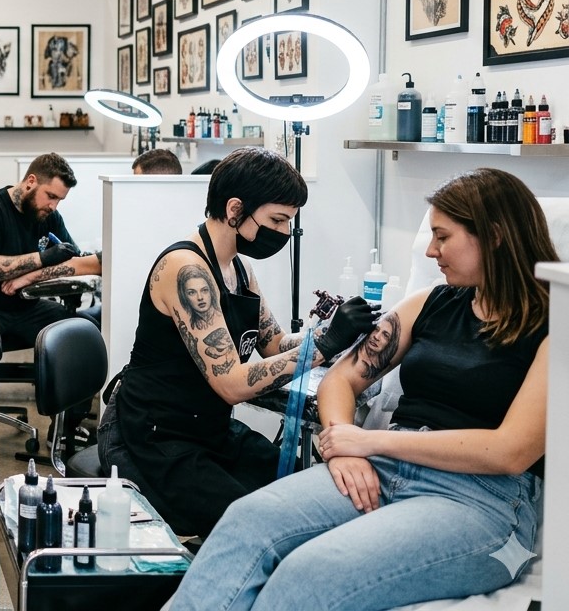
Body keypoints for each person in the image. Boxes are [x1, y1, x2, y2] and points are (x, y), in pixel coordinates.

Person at [171, 168, 553, 609]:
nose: (431, 251)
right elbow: (342, 379)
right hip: (387, 467)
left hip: (480, 498)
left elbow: (510, 451)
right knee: (245, 521)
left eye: (442, 237)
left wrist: (367, 441)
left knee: (310, 572)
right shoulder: (431, 303)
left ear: (495, 236)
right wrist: (346, 446)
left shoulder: (553, 325)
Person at [95, 146, 377, 537]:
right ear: (235, 210)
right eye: (277, 220)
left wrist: (334, 332)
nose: (284, 233)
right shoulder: (187, 271)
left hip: (207, 431)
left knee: (301, 489)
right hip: (150, 436)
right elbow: (231, 384)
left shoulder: (239, 269)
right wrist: (323, 347)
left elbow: (275, 343)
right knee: (255, 523)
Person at [0, 153, 103, 485]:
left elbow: (72, 260)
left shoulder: (48, 217)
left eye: (60, 200)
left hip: (22, 304)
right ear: (30, 182)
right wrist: (42, 259)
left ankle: (67, 429)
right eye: (50, 196)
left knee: (82, 331)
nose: (54, 206)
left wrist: (32, 274)